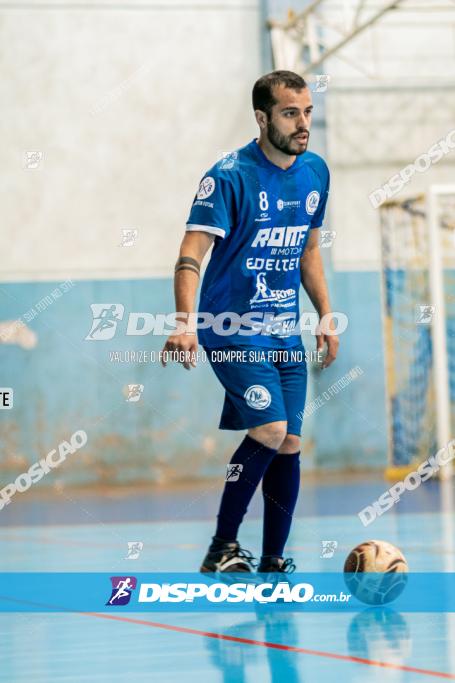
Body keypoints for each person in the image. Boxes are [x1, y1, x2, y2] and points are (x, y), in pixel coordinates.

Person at [162, 70, 338, 573]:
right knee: (270, 429)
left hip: (286, 329)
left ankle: (272, 558)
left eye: (307, 111)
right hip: (232, 327)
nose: (303, 124)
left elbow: (307, 249)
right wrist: (184, 322)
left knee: (290, 441)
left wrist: (326, 315)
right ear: (262, 118)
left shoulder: (315, 173)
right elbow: (189, 254)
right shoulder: (229, 175)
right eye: (290, 113)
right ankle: (221, 547)